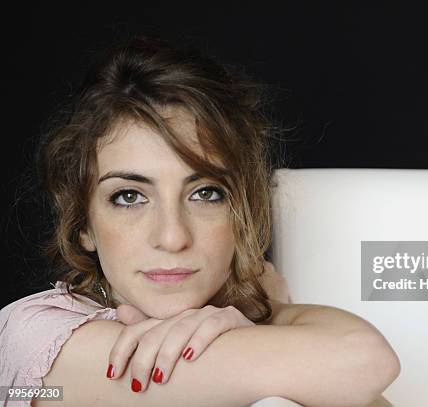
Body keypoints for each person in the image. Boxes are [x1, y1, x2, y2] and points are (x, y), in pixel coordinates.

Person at [0, 35, 400, 407]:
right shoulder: (35, 340)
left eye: (205, 193)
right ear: (83, 223)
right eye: (129, 197)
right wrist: (274, 315)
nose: (173, 237)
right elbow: (365, 362)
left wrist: (262, 312)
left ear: (240, 209)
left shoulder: (234, 322)